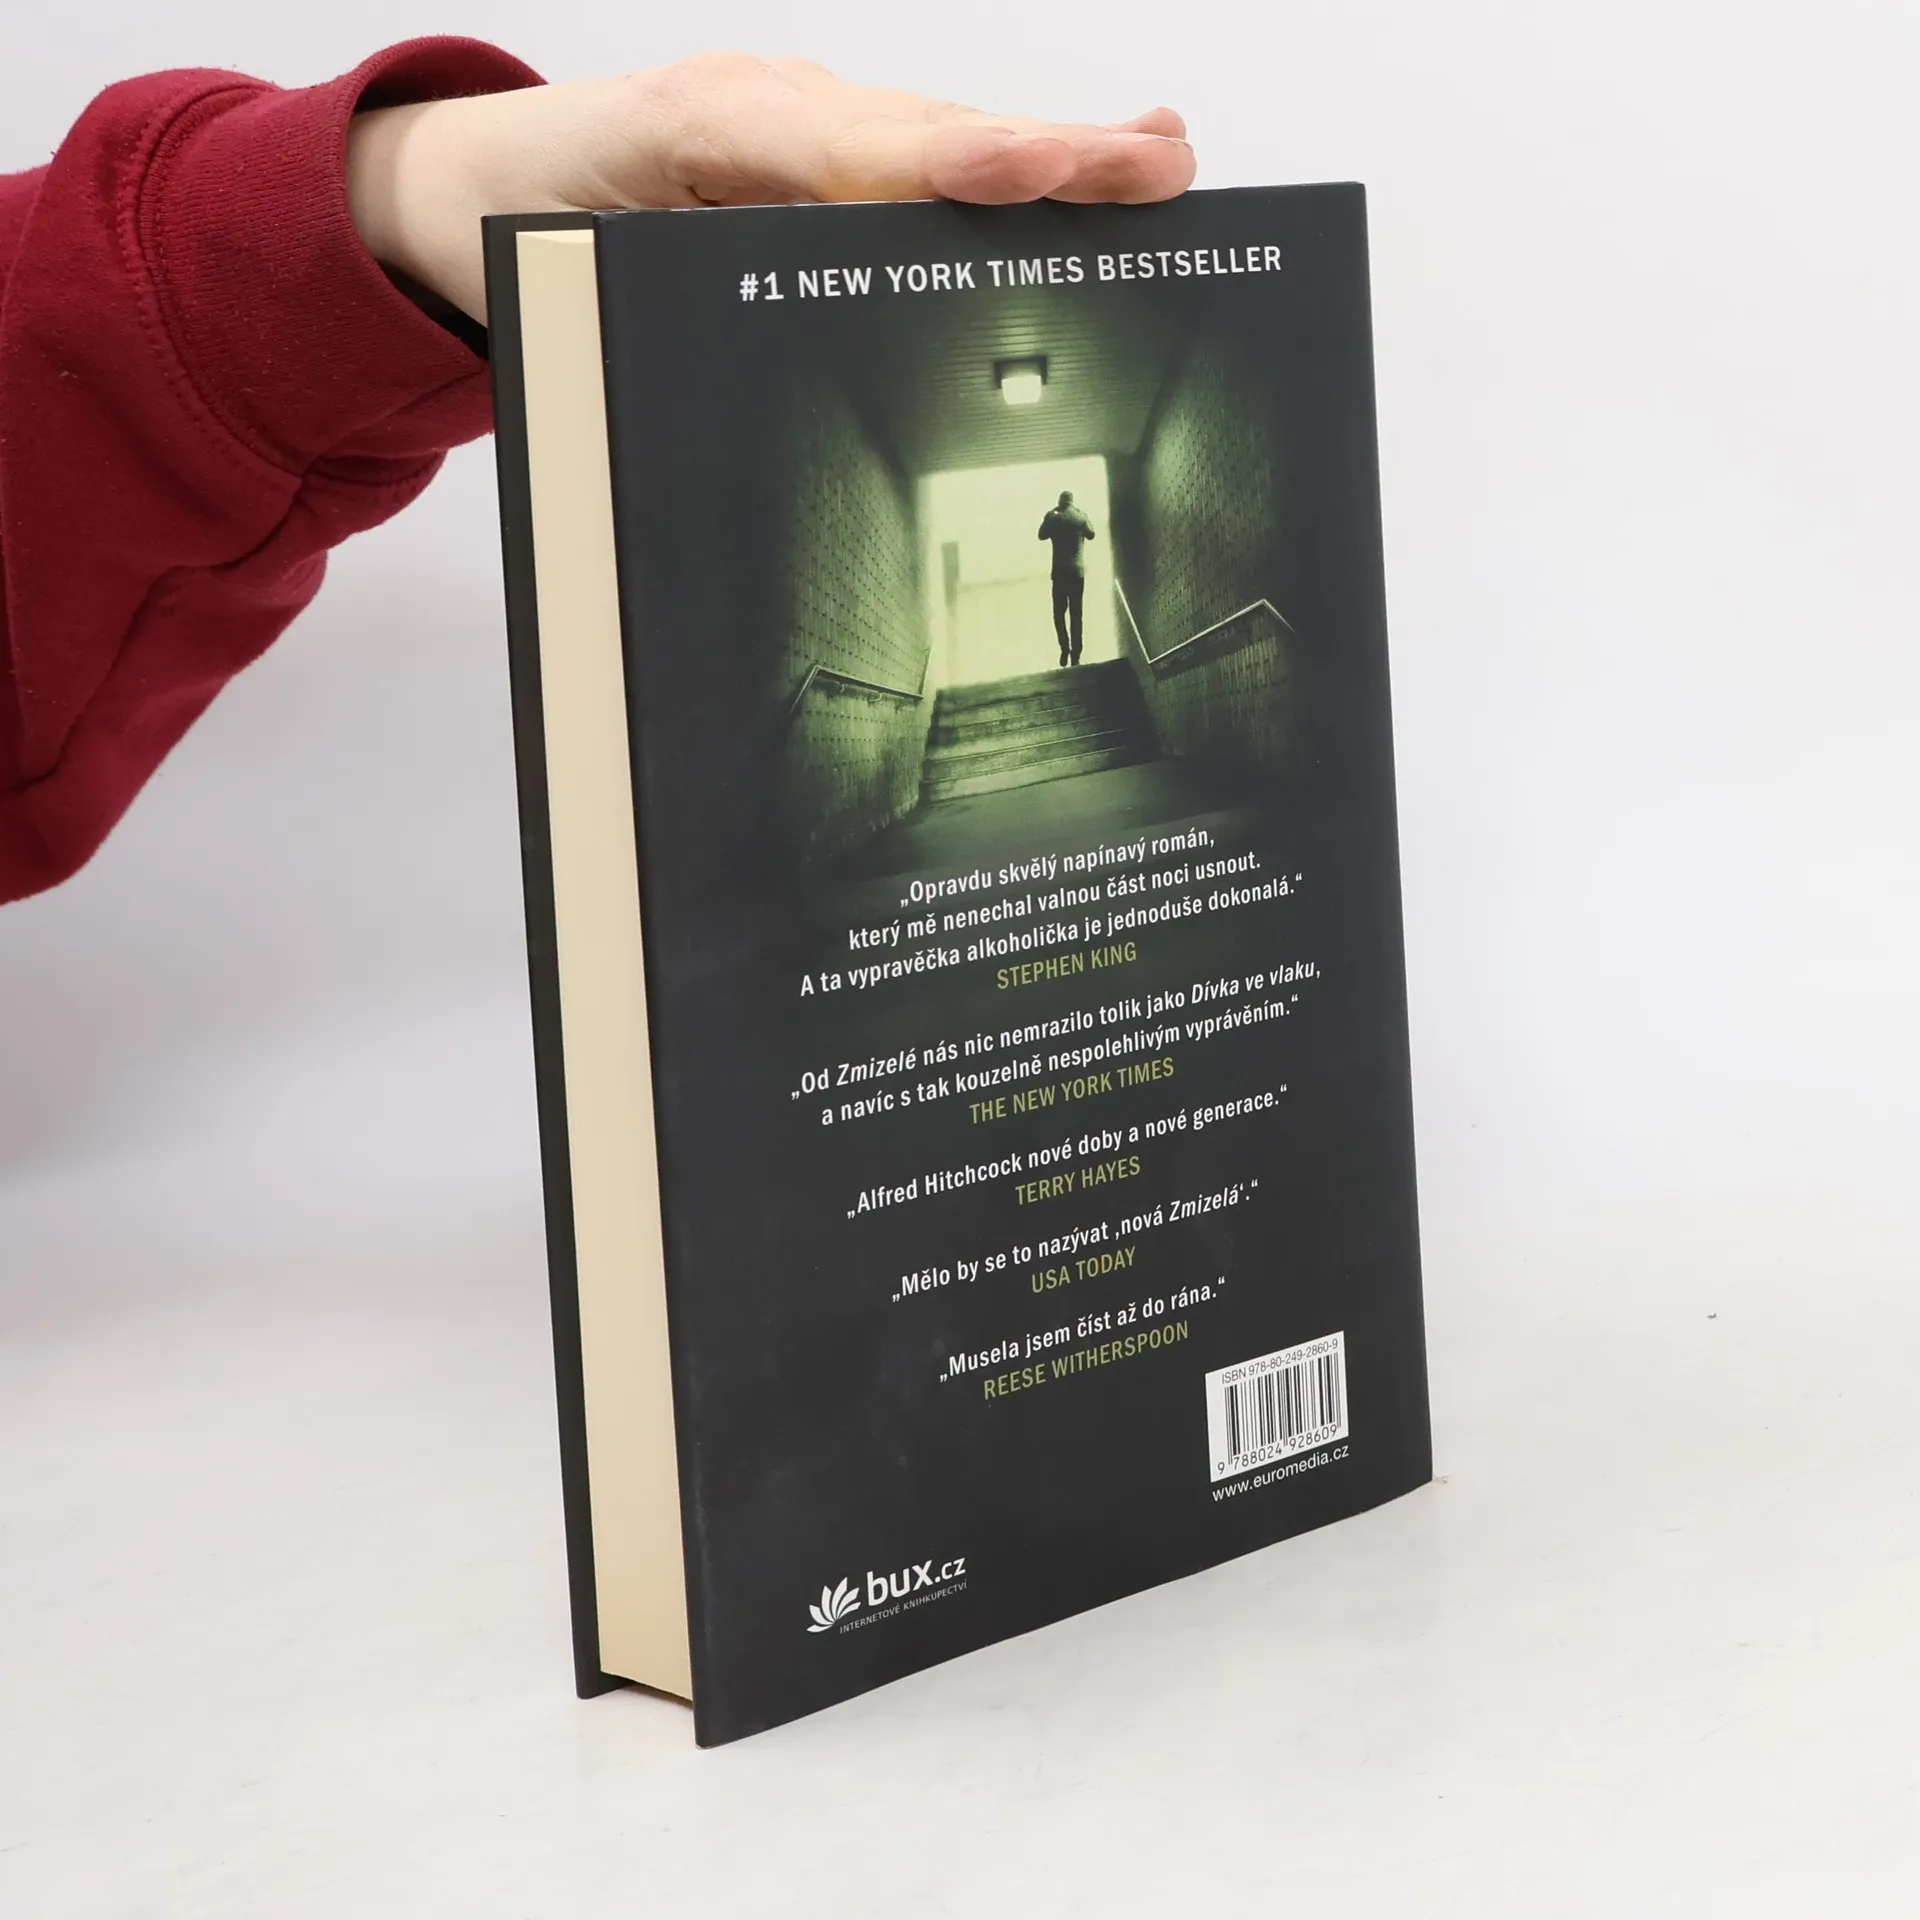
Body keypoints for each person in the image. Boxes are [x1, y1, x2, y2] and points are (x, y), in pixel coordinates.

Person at [0, 45, 1193, 905]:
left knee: (1071, 614)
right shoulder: (1057, 526)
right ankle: (1068, 646)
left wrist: (376, 207)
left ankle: (1071, 646)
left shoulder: (1069, 524)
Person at [1038, 490, 1097, 665]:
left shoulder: (1054, 519)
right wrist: (1084, 515)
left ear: (1060, 502)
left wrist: (1048, 515)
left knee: (1059, 613)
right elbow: (1092, 534)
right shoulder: (1080, 517)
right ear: (1072, 502)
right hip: (1077, 573)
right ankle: (1076, 655)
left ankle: (1065, 648)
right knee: (1076, 614)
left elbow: (1041, 535)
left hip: (1060, 574)